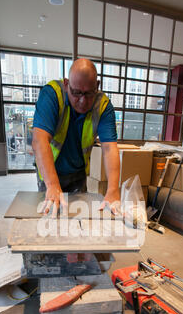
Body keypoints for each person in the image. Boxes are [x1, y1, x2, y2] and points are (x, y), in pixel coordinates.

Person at [32, 58, 120, 216]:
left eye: (88, 93)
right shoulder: (52, 95)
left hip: (78, 173)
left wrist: (113, 190)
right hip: (50, 172)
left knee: (77, 219)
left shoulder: (103, 106)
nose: (82, 100)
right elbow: (39, 140)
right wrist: (52, 185)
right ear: (66, 84)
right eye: (76, 93)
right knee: (52, 218)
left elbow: (109, 149)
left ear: (97, 86)